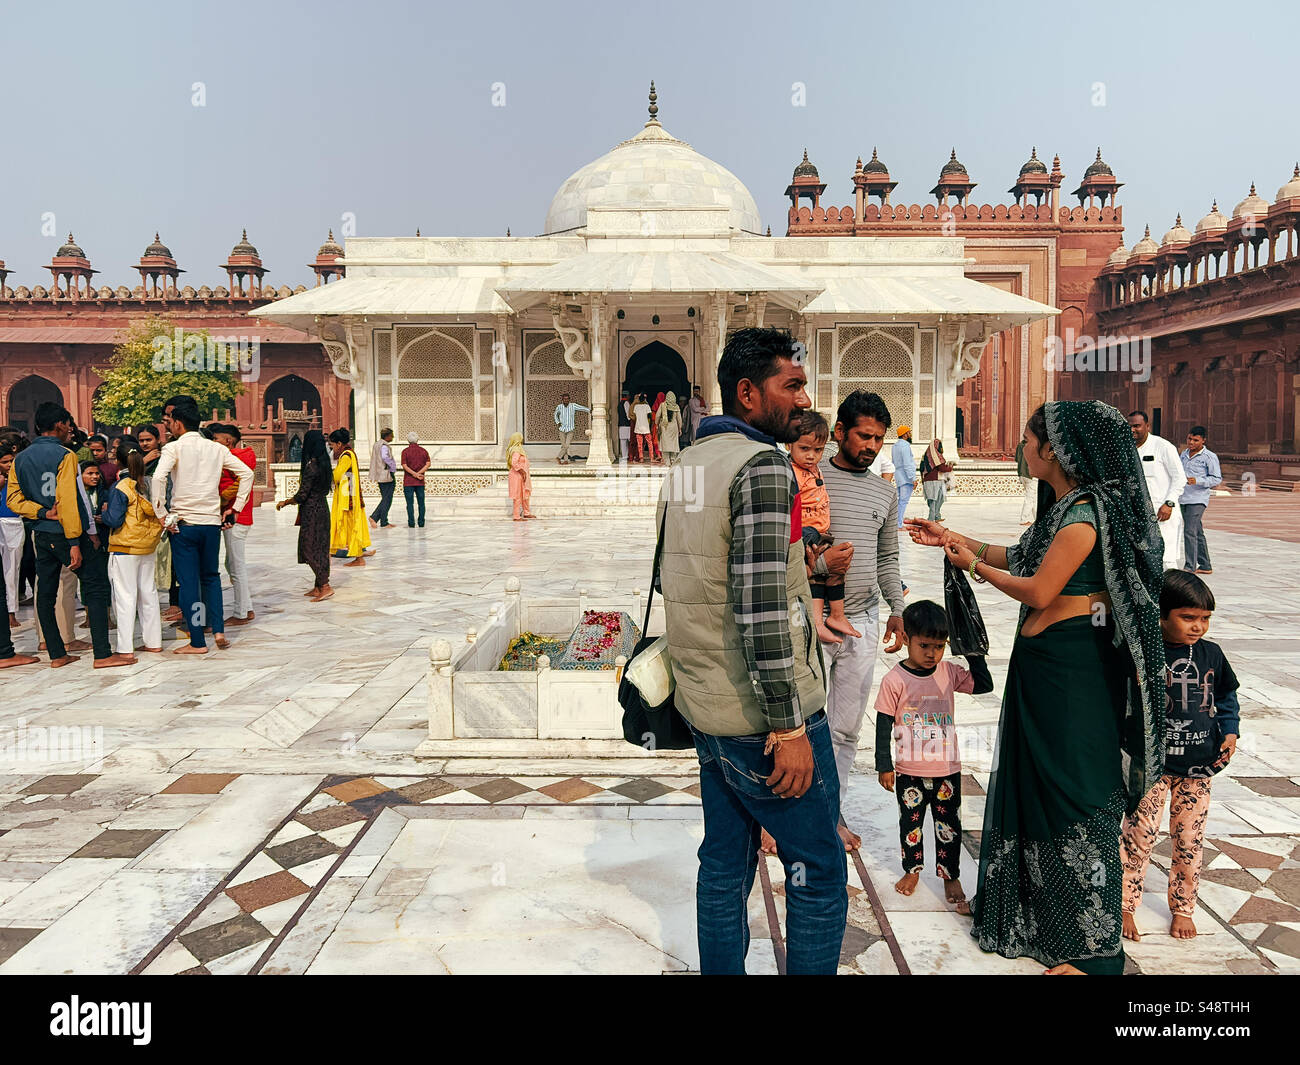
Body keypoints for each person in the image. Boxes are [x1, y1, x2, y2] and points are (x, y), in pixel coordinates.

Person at [907, 400, 1165, 975]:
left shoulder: (1083, 517)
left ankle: (1094, 954)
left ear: (1055, 449)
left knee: (1077, 791)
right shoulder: (1066, 507)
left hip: (1073, 671)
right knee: (1039, 783)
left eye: (1028, 440)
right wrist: (950, 536)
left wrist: (974, 568)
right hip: (1045, 666)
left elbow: (1038, 590)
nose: (1023, 448)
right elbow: (1020, 556)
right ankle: (1036, 920)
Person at [659, 326, 846, 975]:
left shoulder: (688, 463)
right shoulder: (762, 466)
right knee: (818, 868)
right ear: (747, 391)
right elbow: (761, 608)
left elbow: (692, 576)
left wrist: (808, 565)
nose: (804, 399)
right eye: (791, 385)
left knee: (724, 861)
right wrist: (789, 726)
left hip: (705, 708)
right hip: (763, 718)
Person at [1121, 571, 1239, 944]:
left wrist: (1230, 730)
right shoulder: (1144, 653)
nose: (1198, 626)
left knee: (1189, 840)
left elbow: (1226, 696)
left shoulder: (1211, 654)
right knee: (1139, 835)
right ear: (1161, 615)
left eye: (1204, 618)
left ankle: (1183, 907)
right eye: (1188, 618)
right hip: (1152, 766)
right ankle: (1125, 904)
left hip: (1198, 767)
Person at [810, 390, 906, 852]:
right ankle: (781, 817)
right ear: (839, 432)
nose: (871, 446)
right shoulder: (809, 479)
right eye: (864, 436)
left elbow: (887, 557)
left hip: (863, 618)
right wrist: (821, 564)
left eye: (878, 439)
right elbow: (785, 550)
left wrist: (897, 609)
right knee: (797, 721)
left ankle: (830, 813)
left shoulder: (884, 491)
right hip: (812, 616)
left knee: (845, 728)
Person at [875, 599, 993, 915]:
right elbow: (883, 723)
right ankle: (912, 870)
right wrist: (884, 765)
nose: (932, 653)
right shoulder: (894, 680)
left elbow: (984, 685)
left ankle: (950, 876)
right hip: (909, 771)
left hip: (946, 770)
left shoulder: (948, 672)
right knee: (911, 824)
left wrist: (971, 649)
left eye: (939, 646)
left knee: (948, 826)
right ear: (906, 639)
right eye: (924, 645)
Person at [7, 403, 130, 668]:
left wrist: (41, 512)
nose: (70, 430)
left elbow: (14, 499)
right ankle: (103, 654)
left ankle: (56, 654)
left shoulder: (20, 458)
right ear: (60, 425)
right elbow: (69, 500)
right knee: (95, 587)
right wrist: (76, 541)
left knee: (45, 593)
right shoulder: (65, 455)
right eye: (68, 425)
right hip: (67, 533)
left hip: (41, 532)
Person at [151, 398, 253, 655]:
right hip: (211, 523)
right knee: (211, 578)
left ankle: (197, 641)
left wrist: (161, 513)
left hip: (184, 525)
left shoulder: (173, 448)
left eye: (170, 422)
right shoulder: (216, 448)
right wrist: (235, 508)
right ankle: (218, 630)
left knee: (189, 583)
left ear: (178, 423)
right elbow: (247, 474)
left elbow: (159, 477)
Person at [789, 409, 859, 646]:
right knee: (817, 576)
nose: (811, 456)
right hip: (806, 531)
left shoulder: (814, 468)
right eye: (804, 449)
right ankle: (818, 622)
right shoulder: (791, 472)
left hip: (821, 531)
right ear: (789, 444)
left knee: (836, 571)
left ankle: (837, 616)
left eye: (818, 450)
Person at [101, 439, 164, 659]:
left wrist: (104, 514)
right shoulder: (147, 484)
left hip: (125, 547)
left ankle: (125, 648)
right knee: (148, 593)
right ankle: (153, 642)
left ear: (118, 461)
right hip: (147, 545)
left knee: (125, 596)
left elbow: (115, 519)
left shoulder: (121, 487)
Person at [276, 429, 333, 601]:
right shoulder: (325, 465)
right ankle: (318, 586)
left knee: (308, 549)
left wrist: (285, 502)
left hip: (312, 511)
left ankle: (325, 585)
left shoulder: (312, 467)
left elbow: (302, 495)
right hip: (322, 508)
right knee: (321, 548)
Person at [1128, 410, 1186, 571]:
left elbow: (1180, 478)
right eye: (1129, 426)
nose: (1132, 429)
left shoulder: (1163, 447)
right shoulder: (1126, 449)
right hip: (1138, 515)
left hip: (1162, 513)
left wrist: (1169, 503)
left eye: (1137, 426)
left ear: (1147, 426)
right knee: (1141, 559)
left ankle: (1170, 587)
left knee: (1166, 559)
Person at [212, 424, 256, 624]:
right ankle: (246, 607)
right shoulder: (240, 457)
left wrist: (222, 500)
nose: (213, 443)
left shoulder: (232, 459)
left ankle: (242, 613)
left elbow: (233, 485)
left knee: (236, 567)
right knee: (232, 564)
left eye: (216, 439)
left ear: (228, 441)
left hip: (235, 517)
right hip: (239, 517)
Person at [1180, 425, 1221, 575]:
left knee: (1189, 531)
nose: (1191, 442)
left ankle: (1189, 567)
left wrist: (1198, 480)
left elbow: (1216, 479)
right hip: (1183, 497)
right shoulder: (1183, 454)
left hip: (1197, 499)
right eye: (1189, 439)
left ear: (1203, 440)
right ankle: (1205, 565)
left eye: (1195, 440)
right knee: (1197, 531)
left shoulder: (1209, 457)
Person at [328, 428, 371, 566]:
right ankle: (358, 555)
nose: (333, 449)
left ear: (339, 444)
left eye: (333, 445)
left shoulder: (346, 456)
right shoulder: (349, 453)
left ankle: (359, 558)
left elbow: (337, 476)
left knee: (352, 526)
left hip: (348, 499)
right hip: (349, 495)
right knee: (351, 526)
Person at [0, 434, 29, 629]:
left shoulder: (18, 478)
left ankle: (11, 612)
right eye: (5, 462)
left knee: (12, 570)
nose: (9, 465)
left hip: (14, 523)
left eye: (11, 461)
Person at [369, 428, 397, 529]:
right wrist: (393, 466)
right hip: (386, 474)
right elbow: (385, 457)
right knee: (387, 498)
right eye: (391, 435)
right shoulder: (384, 446)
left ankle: (380, 519)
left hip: (380, 474)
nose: (392, 437)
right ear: (387, 436)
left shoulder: (377, 444)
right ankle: (378, 519)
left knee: (386, 498)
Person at [891, 425, 918, 529]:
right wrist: (913, 478)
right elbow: (907, 464)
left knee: (899, 501)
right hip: (906, 477)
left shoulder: (895, 446)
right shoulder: (905, 446)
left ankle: (897, 521)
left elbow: (894, 462)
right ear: (905, 434)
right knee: (903, 501)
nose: (910, 434)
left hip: (899, 476)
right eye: (909, 432)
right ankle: (898, 524)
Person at [400, 431, 430, 528]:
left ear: (407, 440)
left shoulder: (405, 451)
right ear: (417, 439)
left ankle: (411, 523)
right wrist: (419, 474)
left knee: (409, 504)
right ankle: (421, 522)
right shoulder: (423, 451)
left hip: (408, 481)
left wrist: (414, 474)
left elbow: (404, 465)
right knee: (421, 503)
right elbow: (428, 464)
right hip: (420, 481)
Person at [919, 438, 954, 521]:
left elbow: (921, 468)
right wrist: (950, 467)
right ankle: (931, 519)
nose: (941, 448)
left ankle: (937, 516)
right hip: (934, 480)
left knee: (936, 499)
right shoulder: (936, 456)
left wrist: (922, 479)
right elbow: (942, 468)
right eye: (940, 446)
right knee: (935, 500)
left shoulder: (926, 456)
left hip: (930, 480)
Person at [553, 391, 589, 465]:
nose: (566, 400)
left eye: (567, 399)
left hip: (570, 429)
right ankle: (566, 460)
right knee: (564, 446)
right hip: (562, 429)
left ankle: (558, 457)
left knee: (566, 445)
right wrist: (558, 422)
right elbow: (555, 415)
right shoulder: (559, 407)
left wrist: (589, 410)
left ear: (569, 399)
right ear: (562, 400)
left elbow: (581, 408)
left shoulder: (573, 405)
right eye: (564, 399)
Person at [506, 433, 534, 520]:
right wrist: (522, 471)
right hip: (516, 475)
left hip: (521, 474)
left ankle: (526, 512)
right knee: (517, 495)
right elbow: (514, 463)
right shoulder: (516, 450)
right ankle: (516, 516)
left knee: (525, 494)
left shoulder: (519, 449)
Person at [655, 390, 683, 465]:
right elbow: (679, 419)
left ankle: (667, 461)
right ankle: (673, 459)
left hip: (665, 427)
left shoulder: (662, 405)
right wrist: (680, 428)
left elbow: (657, 416)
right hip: (674, 427)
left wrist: (656, 424)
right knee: (673, 443)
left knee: (665, 443)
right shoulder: (676, 406)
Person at [1015, 437, 1036, 525]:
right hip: (1030, 475)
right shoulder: (1033, 446)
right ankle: (1024, 519)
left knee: (1033, 497)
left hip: (1022, 474)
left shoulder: (1020, 445)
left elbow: (1017, 459)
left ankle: (1037, 518)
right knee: (1030, 498)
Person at [631, 393, 653, 462]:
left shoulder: (636, 407)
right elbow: (650, 415)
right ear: (645, 399)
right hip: (646, 427)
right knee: (649, 443)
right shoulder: (647, 406)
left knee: (639, 444)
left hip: (638, 427)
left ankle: (641, 458)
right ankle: (651, 458)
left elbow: (635, 415)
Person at [648, 391, 666, 462]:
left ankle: (659, 455)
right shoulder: (666, 406)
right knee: (663, 441)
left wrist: (651, 428)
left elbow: (653, 420)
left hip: (656, 426)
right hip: (664, 426)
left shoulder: (654, 407)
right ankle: (663, 456)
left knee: (656, 441)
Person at [616, 392, 632, 461]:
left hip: (621, 425)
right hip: (627, 425)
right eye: (629, 395)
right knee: (629, 441)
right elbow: (628, 415)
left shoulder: (619, 404)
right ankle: (630, 455)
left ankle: (624, 456)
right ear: (627, 396)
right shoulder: (626, 403)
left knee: (623, 441)